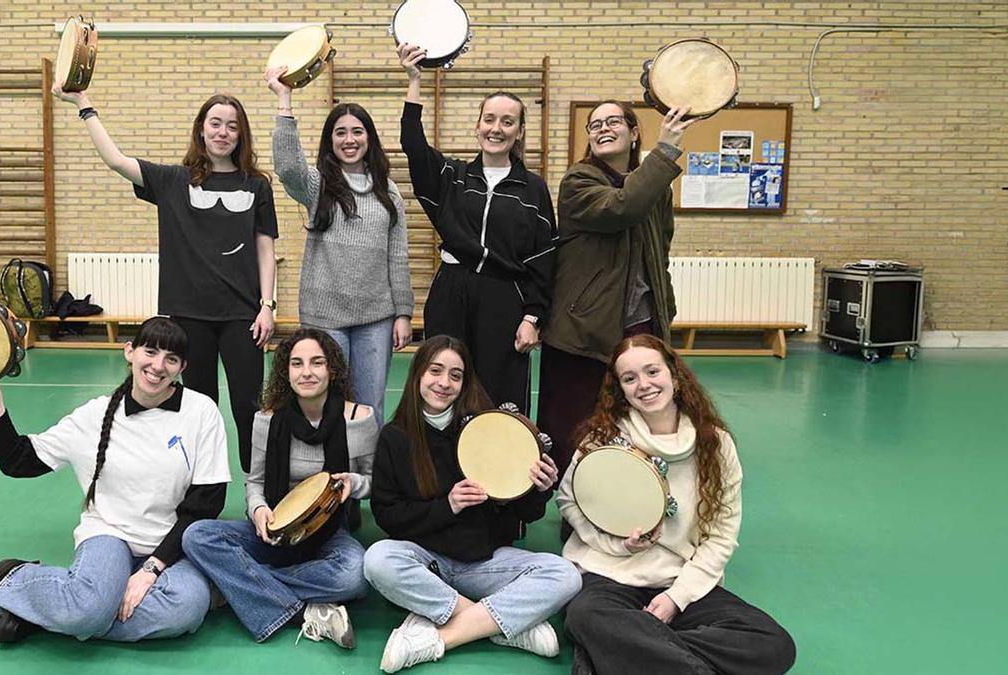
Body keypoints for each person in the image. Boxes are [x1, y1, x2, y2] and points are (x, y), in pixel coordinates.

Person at [0, 317, 230, 644]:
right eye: (149, 352)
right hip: (110, 534)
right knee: (90, 608)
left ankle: (54, 615)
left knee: (185, 608)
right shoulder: (95, 415)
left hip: (173, 544)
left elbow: (207, 503)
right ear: (129, 352)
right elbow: (19, 461)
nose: (158, 366)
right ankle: (11, 581)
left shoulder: (201, 412)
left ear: (183, 367)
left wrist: (152, 568)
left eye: (171, 359)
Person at [53, 85, 278, 472]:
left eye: (232, 126)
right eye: (215, 124)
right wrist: (83, 105)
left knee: (249, 407)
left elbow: (265, 248)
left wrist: (267, 306)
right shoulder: (174, 181)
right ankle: (200, 483)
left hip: (242, 315)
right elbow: (116, 160)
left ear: (241, 135)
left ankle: (258, 486)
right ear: (201, 129)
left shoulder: (256, 185)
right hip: (188, 317)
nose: (223, 132)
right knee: (199, 407)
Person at [558, 334, 796, 674]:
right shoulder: (603, 439)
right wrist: (618, 545)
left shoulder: (715, 444)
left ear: (674, 374)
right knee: (585, 615)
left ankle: (618, 651)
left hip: (679, 579)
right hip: (609, 576)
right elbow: (569, 500)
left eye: (652, 371)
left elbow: (722, 535)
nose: (644, 384)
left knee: (773, 644)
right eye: (630, 378)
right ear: (620, 390)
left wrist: (676, 598)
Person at [363, 335, 581, 673]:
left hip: (484, 562)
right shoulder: (395, 436)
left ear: (465, 382)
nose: (444, 383)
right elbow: (388, 516)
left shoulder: (488, 429)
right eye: (436, 371)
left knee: (565, 574)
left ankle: (444, 634)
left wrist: (539, 489)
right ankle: (501, 626)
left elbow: (525, 513)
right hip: (426, 562)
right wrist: (446, 505)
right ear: (418, 373)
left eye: (456, 375)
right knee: (377, 560)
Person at [183, 328, 375, 648]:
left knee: (355, 574)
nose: (307, 372)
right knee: (197, 536)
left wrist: (354, 484)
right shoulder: (267, 420)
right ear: (286, 372)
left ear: (332, 369)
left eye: (317, 363)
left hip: (328, 532)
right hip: (272, 531)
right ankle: (305, 607)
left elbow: (376, 483)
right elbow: (255, 481)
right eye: (297, 364)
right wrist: (258, 510)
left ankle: (239, 586)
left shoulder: (359, 419)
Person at [396, 43, 557, 415]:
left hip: (504, 299)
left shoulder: (533, 189)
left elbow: (544, 258)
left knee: (499, 394)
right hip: (451, 290)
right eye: (489, 119)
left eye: (507, 121)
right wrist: (415, 79)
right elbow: (413, 144)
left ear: (519, 131)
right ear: (478, 125)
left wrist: (533, 317)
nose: (496, 129)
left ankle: (500, 468)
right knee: (442, 386)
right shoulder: (452, 176)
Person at [538, 101, 695, 476]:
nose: (602, 128)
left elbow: (662, 246)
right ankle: (574, 507)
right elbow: (622, 207)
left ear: (634, 132)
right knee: (575, 426)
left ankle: (630, 500)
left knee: (637, 420)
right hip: (584, 331)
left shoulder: (654, 185)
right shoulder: (579, 181)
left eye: (613, 121)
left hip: (641, 325)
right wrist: (667, 150)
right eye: (595, 125)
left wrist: (664, 308)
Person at [266, 66, 415, 425]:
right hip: (324, 318)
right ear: (330, 140)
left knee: (369, 410)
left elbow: (398, 257)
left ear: (369, 139)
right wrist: (284, 100)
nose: (349, 139)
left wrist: (404, 313)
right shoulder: (317, 186)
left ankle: (369, 480)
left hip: (375, 321)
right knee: (327, 406)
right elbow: (287, 168)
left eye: (357, 132)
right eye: (340, 133)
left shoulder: (389, 192)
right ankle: (330, 479)